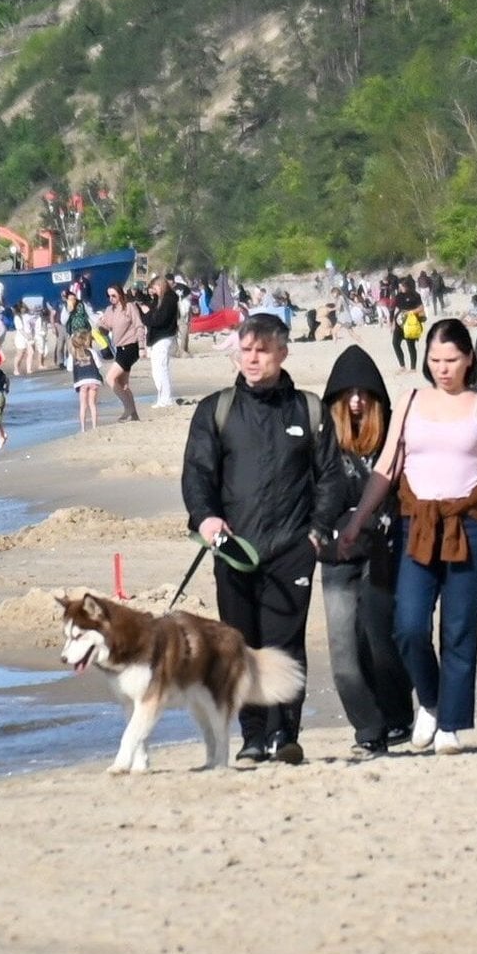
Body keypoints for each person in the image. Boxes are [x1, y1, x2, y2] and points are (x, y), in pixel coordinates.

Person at [338, 319, 477, 754]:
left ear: (469, 360)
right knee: (408, 626)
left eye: (451, 360)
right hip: (418, 523)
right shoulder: (409, 401)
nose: (443, 369)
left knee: (459, 629)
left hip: (472, 525)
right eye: (435, 360)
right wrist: (356, 520)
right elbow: (387, 467)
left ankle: (450, 724)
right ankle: (429, 700)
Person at [181, 313, 344, 765]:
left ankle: (284, 734)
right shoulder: (217, 408)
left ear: (282, 353)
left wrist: (315, 534)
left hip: (293, 548)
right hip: (233, 549)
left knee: (285, 643)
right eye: (246, 350)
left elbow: (330, 478)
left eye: (262, 350)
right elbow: (197, 473)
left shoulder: (309, 410)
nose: (252, 359)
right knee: (241, 644)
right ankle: (253, 737)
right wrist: (207, 519)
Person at [319, 345, 414, 757]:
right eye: (348, 394)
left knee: (380, 638)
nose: (356, 402)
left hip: (382, 547)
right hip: (336, 550)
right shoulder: (322, 439)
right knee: (343, 649)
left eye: (364, 394)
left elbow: (404, 490)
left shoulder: (392, 432)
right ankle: (367, 728)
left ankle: (397, 717)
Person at [94, 285, 146, 422]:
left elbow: (139, 325)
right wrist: (100, 326)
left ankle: (127, 408)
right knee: (123, 385)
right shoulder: (109, 310)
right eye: (109, 296)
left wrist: (142, 347)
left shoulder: (129, 307)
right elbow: (106, 330)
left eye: (114, 296)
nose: (111, 299)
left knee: (110, 378)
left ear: (120, 295)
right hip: (119, 348)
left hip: (131, 347)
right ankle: (134, 416)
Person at [139, 274, 179, 409]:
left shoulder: (169, 300)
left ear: (160, 285)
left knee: (160, 369)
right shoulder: (161, 299)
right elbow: (155, 314)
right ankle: (162, 397)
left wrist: (145, 314)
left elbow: (159, 320)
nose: (154, 291)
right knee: (159, 369)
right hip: (159, 337)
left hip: (163, 337)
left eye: (155, 287)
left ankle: (165, 399)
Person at [390, 275, 426, 374]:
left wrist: (410, 312)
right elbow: (395, 309)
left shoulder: (415, 295)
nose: (400, 287)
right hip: (399, 323)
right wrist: (392, 322)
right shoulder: (398, 296)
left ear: (406, 285)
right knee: (395, 343)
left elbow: (421, 308)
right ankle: (402, 366)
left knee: (411, 345)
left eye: (401, 285)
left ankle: (413, 368)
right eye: (399, 286)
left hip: (411, 323)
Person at [70, 342, 103, 430]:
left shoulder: (73, 354)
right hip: (93, 379)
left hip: (81, 381)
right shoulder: (91, 351)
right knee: (92, 404)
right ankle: (94, 426)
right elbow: (99, 365)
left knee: (83, 405)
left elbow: (69, 368)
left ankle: (83, 428)